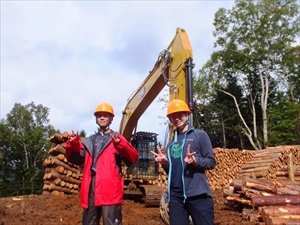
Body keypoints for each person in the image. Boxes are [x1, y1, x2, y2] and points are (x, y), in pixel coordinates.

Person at [65, 102, 139, 225]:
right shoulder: (90, 141)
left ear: (111, 119)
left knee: (111, 221)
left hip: (109, 186)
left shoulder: (117, 139)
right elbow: (76, 159)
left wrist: (120, 145)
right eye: (99, 115)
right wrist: (73, 145)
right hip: (91, 185)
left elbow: (132, 158)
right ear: (96, 119)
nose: (102, 117)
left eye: (106, 115)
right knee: (89, 221)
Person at [151, 99, 216, 225]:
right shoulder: (171, 144)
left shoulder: (200, 136)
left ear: (187, 114)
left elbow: (211, 162)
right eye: (173, 116)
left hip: (198, 195)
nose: (176, 118)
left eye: (180, 114)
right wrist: (166, 164)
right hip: (176, 198)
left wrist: (196, 161)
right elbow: (173, 171)